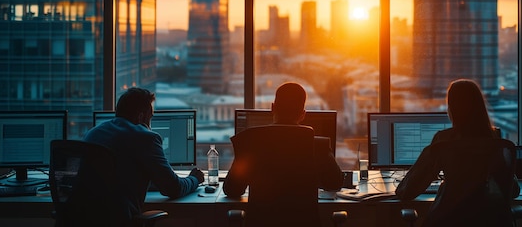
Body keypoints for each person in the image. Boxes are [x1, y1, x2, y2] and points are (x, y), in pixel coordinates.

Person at [395, 79, 520, 226]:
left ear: (452, 108)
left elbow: (407, 191)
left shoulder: (444, 141)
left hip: (448, 221)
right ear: (480, 107)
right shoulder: (495, 142)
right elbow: (513, 190)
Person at [223, 82, 344, 226]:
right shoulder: (318, 146)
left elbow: (232, 190)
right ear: (302, 114)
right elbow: (335, 183)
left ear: (272, 108)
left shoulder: (251, 143)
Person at [83, 87, 204, 225]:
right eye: (150, 118)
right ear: (141, 116)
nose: (150, 126)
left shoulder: (93, 133)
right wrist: (194, 179)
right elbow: (173, 188)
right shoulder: (145, 137)